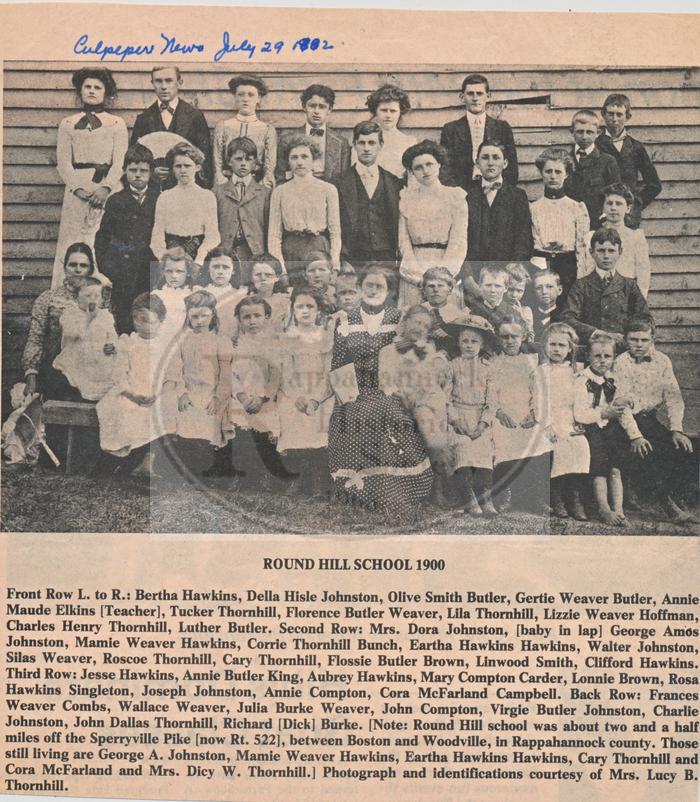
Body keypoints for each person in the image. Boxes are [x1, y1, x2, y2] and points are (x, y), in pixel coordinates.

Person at [327, 264, 434, 518]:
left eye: (380, 286)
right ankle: (357, 491)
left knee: (391, 415)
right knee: (353, 417)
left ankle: (393, 490)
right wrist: (349, 399)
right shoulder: (345, 320)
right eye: (369, 285)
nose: (374, 290)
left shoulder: (397, 319)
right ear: (360, 287)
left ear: (389, 291)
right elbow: (340, 362)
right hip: (356, 391)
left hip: (392, 389)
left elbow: (409, 356)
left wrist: (396, 390)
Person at [612, 316, 699, 526]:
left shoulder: (662, 361)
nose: (639, 345)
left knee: (689, 447)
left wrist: (677, 429)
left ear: (653, 340)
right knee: (651, 450)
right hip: (625, 423)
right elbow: (621, 406)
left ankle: (675, 496)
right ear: (626, 340)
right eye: (633, 340)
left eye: (644, 340)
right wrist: (636, 437)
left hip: (649, 420)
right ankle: (668, 505)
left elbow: (674, 398)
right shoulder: (621, 362)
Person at [51, 68, 128, 289]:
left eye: (97, 87)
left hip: (107, 187)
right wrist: (77, 188)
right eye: (87, 87)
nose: (92, 91)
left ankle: (102, 294)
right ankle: (66, 293)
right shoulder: (68, 123)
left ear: (106, 92)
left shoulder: (116, 123)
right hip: (77, 190)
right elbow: (63, 162)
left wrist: (105, 188)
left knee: (100, 239)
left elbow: (119, 161)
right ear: (80, 90)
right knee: (73, 239)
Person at [96, 292, 179, 476]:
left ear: (161, 321)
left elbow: (172, 375)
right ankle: (126, 462)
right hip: (131, 391)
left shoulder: (167, 345)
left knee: (165, 408)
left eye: (147, 320)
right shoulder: (128, 342)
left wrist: (160, 394)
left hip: (157, 392)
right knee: (123, 408)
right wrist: (132, 395)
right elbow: (120, 373)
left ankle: (149, 460)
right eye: (136, 319)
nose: (140, 324)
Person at [377, 305, 453, 502]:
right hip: (399, 402)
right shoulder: (388, 351)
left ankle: (438, 487)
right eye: (416, 322)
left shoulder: (430, 351)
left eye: (425, 326)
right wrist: (399, 396)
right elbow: (386, 382)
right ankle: (400, 487)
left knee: (430, 425)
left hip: (426, 401)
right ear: (405, 322)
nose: (420, 328)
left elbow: (437, 382)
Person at [223, 295, 295, 484]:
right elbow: (232, 375)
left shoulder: (272, 343)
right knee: (241, 432)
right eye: (246, 317)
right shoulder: (235, 345)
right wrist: (244, 398)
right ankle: (244, 474)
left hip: (267, 398)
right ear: (239, 319)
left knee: (266, 434)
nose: (252, 321)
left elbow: (275, 374)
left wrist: (263, 397)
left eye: (257, 316)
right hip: (242, 398)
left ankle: (271, 475)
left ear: (267, 317)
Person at [94, 144, 160, 334]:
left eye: (143, 170)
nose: (138, 175)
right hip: (124, 274)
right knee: (125, 321)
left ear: (151, 172)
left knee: (150, 319)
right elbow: (103, 239)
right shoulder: (116, 201)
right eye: (133, 170)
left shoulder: (159, 199)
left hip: (150, 271)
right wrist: (110, 269)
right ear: (124, 171)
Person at [277, 286, 335, 496]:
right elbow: (286, 373)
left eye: (310, 306)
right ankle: (299, 478)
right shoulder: (287, 337)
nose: (305, 311)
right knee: (291, 415)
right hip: (295, 393)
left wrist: (315, 400)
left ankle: (318, 480)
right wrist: (298, 397)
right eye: (299, 306)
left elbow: (328, 374)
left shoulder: (326, 337)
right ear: (292, 309)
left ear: (318, 310)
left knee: (320, 421)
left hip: (321, 393)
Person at [573, 331, 635, 526]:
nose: (602, 361)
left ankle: (619, 510)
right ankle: (604, 508)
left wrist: (636, 435)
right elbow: (579, 413)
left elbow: (623, 411)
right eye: (597, 356)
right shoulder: (581, 381)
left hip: (612, 429)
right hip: (592, 428)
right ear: (588, 357)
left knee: (616, 469)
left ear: (614, 358)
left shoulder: (614, 381)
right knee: (599, 469)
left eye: (607, 356)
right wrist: (603, 414)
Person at [23, 243, 98, 401]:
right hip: (55, 372)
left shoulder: (100, 300)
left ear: (90, 269)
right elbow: (35, 339)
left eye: (83, 265)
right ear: (65, 268)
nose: (78, 270)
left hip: (91, 371)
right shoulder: (48, 299)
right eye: (73, 265)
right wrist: (31, 376)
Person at [490, 316, 549, 513]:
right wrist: (498, 412)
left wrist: (533, 413)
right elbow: (489, 392)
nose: (509, 341)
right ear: (499, 339)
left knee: (540, 443)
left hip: (527, 415)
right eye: (504, 337)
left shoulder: (530, 362)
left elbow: (537, 391)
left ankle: (533, 496)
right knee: (503, 442)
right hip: (503, 415)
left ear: (523, 337)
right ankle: (506, 493)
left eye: (514, 336)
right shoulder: (494, 363)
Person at [398, 140, 468, 306]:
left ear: (439, 165)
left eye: (429, 164)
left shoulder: (456, 197)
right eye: (418, 167)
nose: (425, 171)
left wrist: (443, 277)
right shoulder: (406, 199)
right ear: (412, 172)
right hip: (415, 268)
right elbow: (403, 242)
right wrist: (418, 277)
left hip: (445, 267)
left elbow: (459, 241)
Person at [461, 140, 533, 303]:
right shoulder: (466, 196)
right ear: (477, 162)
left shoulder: (517, 196)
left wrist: (512, 272)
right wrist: (467, 276)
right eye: (485, 158)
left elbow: (524, 238)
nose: (491, 162)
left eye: (496, 157)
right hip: (474, 276)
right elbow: (460, 239)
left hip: (506, 277)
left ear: (505, 163)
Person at [442, 313, 499, 517]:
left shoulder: (488, 368)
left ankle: (486, 497)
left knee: (484, 454)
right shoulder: (452, 366)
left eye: (474, 341)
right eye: (464, 341)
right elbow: (446, 399)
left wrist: (482, 425)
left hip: (480, 420)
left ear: (482, 345)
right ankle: (469, 498)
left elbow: (492, 402)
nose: (469, 345)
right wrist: (456, 421)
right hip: (459, 418)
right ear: (458, 342)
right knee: (463, 449)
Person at [268, 137, 341, 285]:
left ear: (313, 160)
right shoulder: (280, 191)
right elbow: (274, 235)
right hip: (291, 249)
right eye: (294, 157)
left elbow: (335, 232)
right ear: (288, 161)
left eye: (304, 157)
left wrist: (335, 265)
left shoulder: (328, 189)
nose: (299, 162)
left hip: (319, 247)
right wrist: (281, 269)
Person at [561, 228, 649, 347]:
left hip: (622, 349)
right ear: (591, 252)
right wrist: (596, 333)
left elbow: (644, 318)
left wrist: (628, 337)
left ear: (620, 252)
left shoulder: (629, 285)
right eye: (601, 250)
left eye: (611, 251)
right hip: (591, 350)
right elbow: (567, 319)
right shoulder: (581, 285)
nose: (606, 256)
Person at [536, 323, 589, 520]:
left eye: (561, 345)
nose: (556, 349)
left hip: (570, 418)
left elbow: (581, 400)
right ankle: (555, 496)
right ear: (545, 346)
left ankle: (574, 497)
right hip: (547, 419)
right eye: (552, 345)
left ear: (570, 349)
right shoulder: (541, 371)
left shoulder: (576, 372)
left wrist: (578, 421)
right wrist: (547, 425)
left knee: (579, 445)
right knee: (554, 447)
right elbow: (539, 401)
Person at [333, 121, 402, 268]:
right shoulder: (339, 183)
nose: (366, 148)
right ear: (354, 145)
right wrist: (342, 259)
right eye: (361, 143)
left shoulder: (394, 182)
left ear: (381, 145)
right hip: (353, 259)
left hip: (386, 258)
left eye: (372, 143)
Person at [131, 65, 212, 188]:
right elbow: (134, 157)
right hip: (153, 190)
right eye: (158, 81)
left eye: (169, 81)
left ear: (179, 83)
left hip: (186, 188)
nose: (163, 86)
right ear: (152, 83)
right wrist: (151, 172)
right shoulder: (143, 119)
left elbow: (204, 158)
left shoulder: (195, 117)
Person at [172, 290, 233, 454]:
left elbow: (226, 375)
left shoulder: (221, 340)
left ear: (212, 314)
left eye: (204, 316)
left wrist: (218, 397)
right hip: (189, 392)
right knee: (185, 425)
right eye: (194, 316)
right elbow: (175, 369)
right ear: (188, 317)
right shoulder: (181, 340)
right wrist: (182, 393)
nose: (199, 321)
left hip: (212, 394)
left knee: (209, 425)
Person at [529, 147, 590, 300]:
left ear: (566, 174)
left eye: (558, 172)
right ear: (541, 173)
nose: (553, 177)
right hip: (540, 264)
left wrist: (581, 279)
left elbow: (582, 246)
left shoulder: (577, 208)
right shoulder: (533, 208)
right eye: (548, 171)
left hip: (568, 267)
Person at [439, 73, 518, 191]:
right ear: (462, 97)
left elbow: (512, 168)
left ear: (488, 96)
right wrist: (457, 193)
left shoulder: (502, 128)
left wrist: (501, 192)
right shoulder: (450, 130)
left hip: (495, 191)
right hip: (462, 192)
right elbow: (445, 168)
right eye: (470, 94)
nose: (475, 98)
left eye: (480, 93)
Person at [596, 93, 662, 229]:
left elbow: (654, 184)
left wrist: (635, 204)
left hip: (629, 217)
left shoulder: (636, 147)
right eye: (610, 114)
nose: (614, 119)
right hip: (600, 215)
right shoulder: (595, 145)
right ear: (603, 114)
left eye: (619, 114)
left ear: (628, 117)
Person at [213, 136, 271, 285]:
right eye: (238, 159)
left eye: (249, 159)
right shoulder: (217, 192)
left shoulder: (264, 193)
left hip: (254, 252)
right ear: (229, 161)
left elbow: (269, 228)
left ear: (255, 163)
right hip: (226, 253)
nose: (244, 163)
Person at [53, 277, 118, 402]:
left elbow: (112, 335)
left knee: (107, 380)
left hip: (99, 360)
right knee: (75, 380)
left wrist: (112, 345)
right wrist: (89, 319)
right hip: (77, 359)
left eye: (97, 296)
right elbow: (73, 333)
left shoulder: (105, 315)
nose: (93, 299)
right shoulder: (70, 314)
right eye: (88, 295)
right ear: (77, 298)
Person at [582, 183, 652, 297]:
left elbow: (643, 274)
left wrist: (637, 302)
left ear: (628, 208)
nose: (613, 208)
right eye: (609, 203)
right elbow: (586, 271)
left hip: (627, 295)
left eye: (618, 204)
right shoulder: (591, 237)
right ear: (603, 208)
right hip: (597, 295)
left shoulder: (635, 237)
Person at [275, 84, 351, 184]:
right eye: (312, 106)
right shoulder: (287, 140)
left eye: (322, 107)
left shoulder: (341, 143)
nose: (316, 111)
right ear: (304, 107)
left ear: (329, 110)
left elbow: (344, 178)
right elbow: (280, 176)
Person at [213, 74, 276, 188]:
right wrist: (221, 181)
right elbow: (217, 162)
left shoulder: (267, 130)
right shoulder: (223, 126)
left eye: (251, 95)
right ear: (235, 97)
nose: (245, 99)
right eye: (241, 94)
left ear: (258, 99)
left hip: (257, 184)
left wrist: (262, 186)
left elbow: (269, 167)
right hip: (227, 184)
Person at [564, 109, 621, 228]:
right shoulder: (563, 161)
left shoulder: (607, 161)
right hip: (568, 224)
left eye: (589, 132)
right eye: (580, 132)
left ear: (598, 132)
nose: (584, 137)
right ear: (571, 132)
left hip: (597, 226)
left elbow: (615, 195)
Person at [362, 84, 417, 180]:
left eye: (393, 111)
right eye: (384, 110)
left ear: (400, 112)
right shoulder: (364, 140)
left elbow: (412, 178)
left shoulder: (409, 142)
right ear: (376, 111)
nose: (388, 115)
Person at [152, 247, 197, 351]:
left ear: (188, 272)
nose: (174, 276)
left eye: (179, 271)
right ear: (163, 272)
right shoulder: (157, 295)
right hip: (161, 344)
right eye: (169, 271)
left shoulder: (193, 294)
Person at [197, 246, 247, 340]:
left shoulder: (240, 296)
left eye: (225, 267)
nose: (220, 272)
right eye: (216, 267)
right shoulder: (199, 294)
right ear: (208, 268)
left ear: (233, 271)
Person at [531, 270, 564, 344]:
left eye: (549, 287)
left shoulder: (565, 317)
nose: (544, 292)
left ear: (559, 290)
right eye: (539, 288)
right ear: (534, 292)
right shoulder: (527, 315)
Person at [505, 263, 534, 342]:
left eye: (519, 291)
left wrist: (522, 317)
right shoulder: (496, 306)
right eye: (510, 289)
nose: (514, 295)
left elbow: (530, 340)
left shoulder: (526, 311)